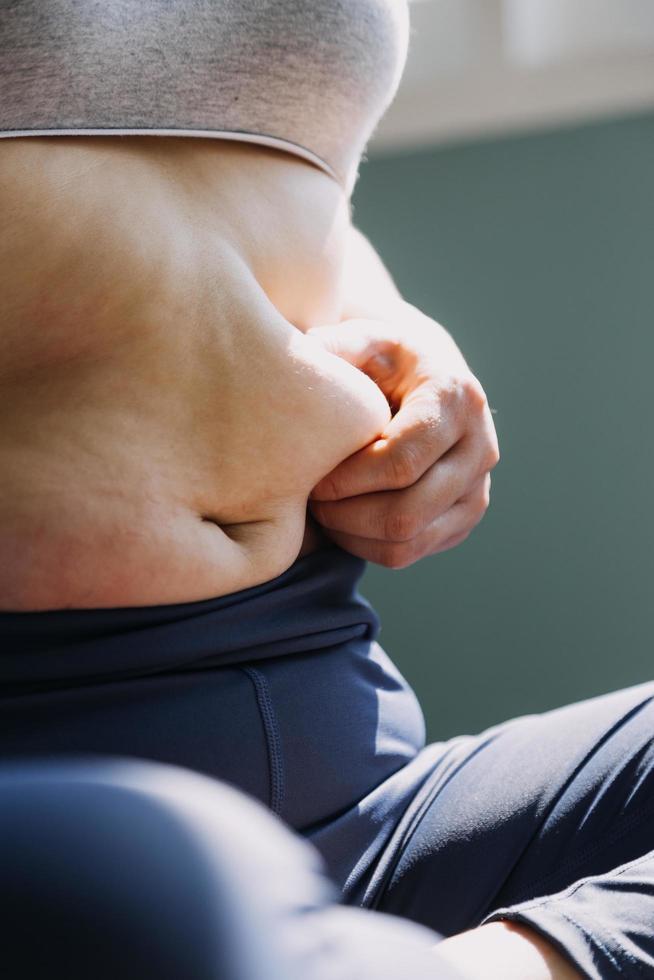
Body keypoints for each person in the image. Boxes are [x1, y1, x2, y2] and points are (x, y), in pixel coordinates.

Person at [0, 2, 652, 977]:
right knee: (157, 886)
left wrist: (387, 326)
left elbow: (296, 181)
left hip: (363, 773)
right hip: (66, 791)